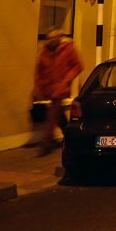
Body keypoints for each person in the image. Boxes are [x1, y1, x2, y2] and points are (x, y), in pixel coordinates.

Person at [33, 28, 83, 156]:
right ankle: (71, 136)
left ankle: (46, 143)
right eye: (49, 38)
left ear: (59, 38)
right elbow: (40, 70)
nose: (51, 41)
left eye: (54, 38)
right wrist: (39, 87)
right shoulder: (45, 51)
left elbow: (78, 65)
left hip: (60, 87)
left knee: (52, 114)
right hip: (48, 88)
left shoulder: (68, 49)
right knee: (59, 115)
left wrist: (67, 79)